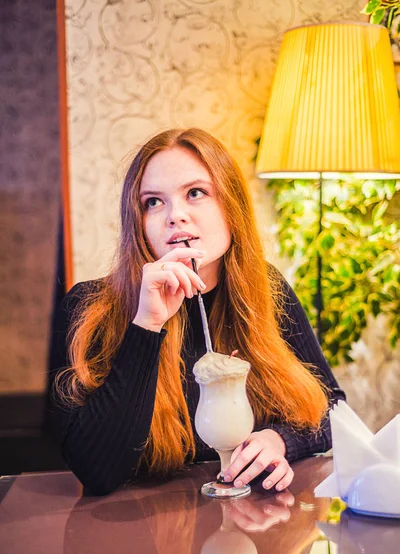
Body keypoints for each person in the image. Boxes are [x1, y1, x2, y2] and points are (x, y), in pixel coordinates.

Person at [51, 128, 346, 495]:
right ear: (138, 223)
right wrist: (147, 324)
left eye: (196, 193)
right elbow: (96, 472)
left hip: (255, 528)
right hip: (139, 535)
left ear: (231, 206)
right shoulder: (89, 307)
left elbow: (334, 410)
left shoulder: (267, 291)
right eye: (153, 203)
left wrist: (280, 439)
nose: (176, 215)